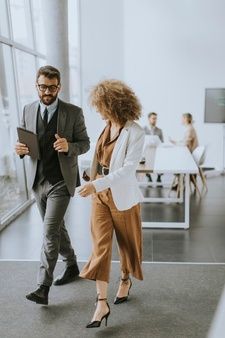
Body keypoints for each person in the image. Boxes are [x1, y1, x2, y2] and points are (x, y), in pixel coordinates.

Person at [15, 65, 90, 305]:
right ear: (37, 86)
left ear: (59, 87)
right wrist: (20, 150)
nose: (47, 91)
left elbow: (85, 143)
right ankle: (71, 265)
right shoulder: (27, 110)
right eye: (43, 86)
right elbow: (24, 142)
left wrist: (70, 147)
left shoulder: (73, 112)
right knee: (57, 229)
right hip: (38, 181)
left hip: (61, 181)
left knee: (49, 232)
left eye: (52, 87)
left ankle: (42, 287)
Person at [78, 79, 144, 328]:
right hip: (100, 196)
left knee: (127, 245)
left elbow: (127, 171)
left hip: (122, 196)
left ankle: (125, 278)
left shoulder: (136, 132)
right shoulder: (105, 128)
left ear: (113, 105)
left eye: (101, 106)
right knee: (101, 247)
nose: (98, 111)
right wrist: (89, 177)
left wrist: (97, 184)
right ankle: (101, 303)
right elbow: (100, 159)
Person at [170, 113, 199, 190]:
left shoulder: (190, 129)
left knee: (176, 162)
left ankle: (179, 183)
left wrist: (176, 143)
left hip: (190, 157)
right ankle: (179, 182)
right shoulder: (189, 128)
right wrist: (176, 142)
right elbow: (185, 141)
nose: (181, 120)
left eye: (182, 118)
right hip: (190, 154)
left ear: (186, 119)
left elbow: (186, 143)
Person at [144, 112, 164, 183]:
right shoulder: (143, 130)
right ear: (149, 119)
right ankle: (148, 176)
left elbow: (162, 142)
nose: (154, 120)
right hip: (146, 152)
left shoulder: (159, 131)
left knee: (161, 161)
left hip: (156, 152)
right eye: (153, 118)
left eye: (156, 119)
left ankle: (159, 176)